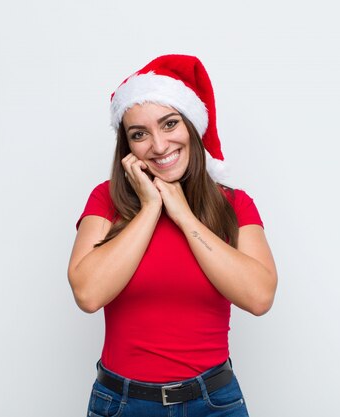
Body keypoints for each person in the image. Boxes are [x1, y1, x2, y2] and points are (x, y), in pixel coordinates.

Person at [68, 54, 277, 417]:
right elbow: (88, 294)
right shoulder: (105, 199)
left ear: (192, 127)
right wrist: (151, 208)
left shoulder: (235, 205)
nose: (159, 146)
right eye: (140, 134)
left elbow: (259, 297)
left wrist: (182, 214)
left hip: (214, 403)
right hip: (123, 404)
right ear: (128, 147)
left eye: (169, 124)